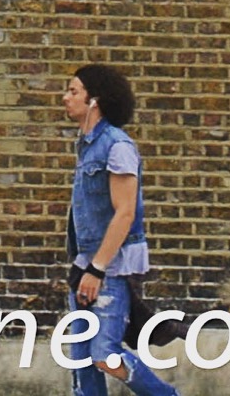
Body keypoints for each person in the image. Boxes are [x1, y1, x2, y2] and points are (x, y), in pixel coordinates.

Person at [63, 63, 179, 396]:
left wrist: (97, 269)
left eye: (73, 91)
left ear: (94, 100)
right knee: (82, 360)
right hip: (87, 262)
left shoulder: (117, 146)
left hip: (110, 267)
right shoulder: (88, 144)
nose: (65, 97)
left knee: (104, 354)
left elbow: (125, 213)